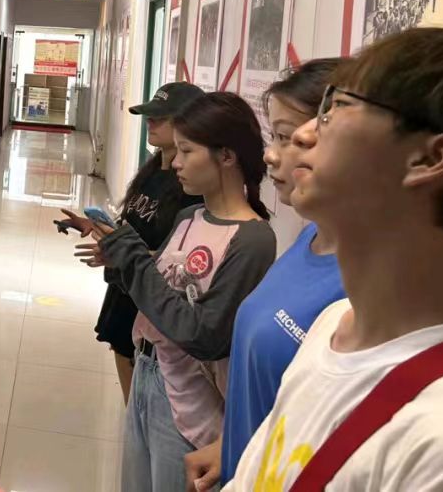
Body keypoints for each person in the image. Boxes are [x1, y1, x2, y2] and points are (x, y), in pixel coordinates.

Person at [227, 28, 443, 490]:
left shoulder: (440, 438)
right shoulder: (332, 326)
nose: (304, 134)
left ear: (428, 158)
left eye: (337, 108)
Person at [76, 92, 276, 492]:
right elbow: (158, 292)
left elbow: (202, 334)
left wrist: (133, 257)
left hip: (188, 399)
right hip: (147, 372)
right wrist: (122, 262)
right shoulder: (189, 217)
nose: (176, 162)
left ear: (226, 156)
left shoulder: (253, 240)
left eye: (187, 151)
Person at [184, 59, 348, 490]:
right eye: (274, 136)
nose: (271, 154)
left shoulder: (362, 287)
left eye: (286, 137)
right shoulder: (309, 237)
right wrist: (232, 443)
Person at [69, 82, 204, 404]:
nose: (150, 122)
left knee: (145, 391)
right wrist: (98, 228)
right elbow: (134, 227)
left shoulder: (191, 187)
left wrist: (125, 255)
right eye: (149, 115)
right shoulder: (152, 171)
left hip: (152, 298)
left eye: (161, 117)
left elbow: (180, 259)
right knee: (124, 366)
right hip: (126, 290)